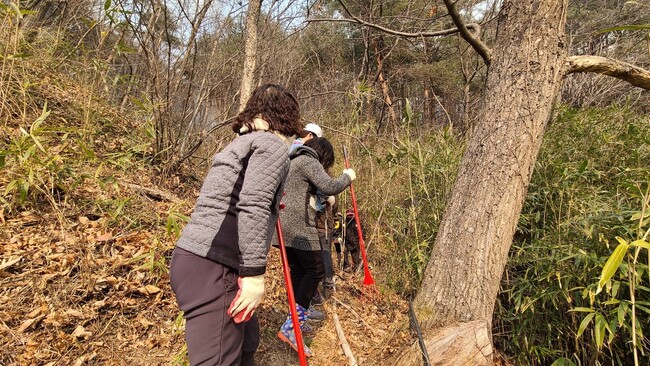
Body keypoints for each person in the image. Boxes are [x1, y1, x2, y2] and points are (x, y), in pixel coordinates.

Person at [169, 84, 303, 366]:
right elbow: (252, 203)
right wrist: (254, 274)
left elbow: (239, 195)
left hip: (197, 259)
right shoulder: (271, 144)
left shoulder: (241, 144)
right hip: (216, 264)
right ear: (283, 120)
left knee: (247, 344)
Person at [278, 137, 355, 357]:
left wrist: (324, 200)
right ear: (322, 154)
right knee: (316, 270)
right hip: (299, 226)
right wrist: (347, 177)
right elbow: (330, 185)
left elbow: (309, 193)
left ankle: (293, 319)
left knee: (301, 271)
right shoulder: (308, 160)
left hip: (283, 226)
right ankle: (291, 327)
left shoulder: (291, 161)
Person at [343, 208, 363, 272]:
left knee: (355, 256)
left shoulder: (358, 222)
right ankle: (346, 266)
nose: (350, 217)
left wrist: (362, 239)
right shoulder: (344, 222)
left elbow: (362, 232)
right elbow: (338, 231)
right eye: (348, 215)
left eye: (351, 215)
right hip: (346, 242)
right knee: (344, 253)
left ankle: (357, 268)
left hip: (355, 242)